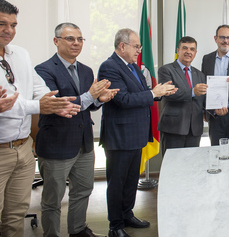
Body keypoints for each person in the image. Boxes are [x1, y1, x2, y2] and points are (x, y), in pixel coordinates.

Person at [0, 0, 80, 237]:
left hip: (23, 149)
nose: (9, 30)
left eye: (13, 24)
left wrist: (52, 101)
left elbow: (37, 86)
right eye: (2, 23)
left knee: (15, 215)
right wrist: (41, 105)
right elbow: (15, 103)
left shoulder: (20, 54)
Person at [35, 23, 119, 237]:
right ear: (56, 41)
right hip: (56, 144)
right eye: (70, 38)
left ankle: (78, 229)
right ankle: (51, 234)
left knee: (82, 191)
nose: (76, 43)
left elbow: (87, 104)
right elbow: (59, 105)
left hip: (83, 142)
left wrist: (100, 100)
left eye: (80, 39)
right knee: (53, 199)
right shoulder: (43, 70)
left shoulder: (85, 70)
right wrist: (91, 94)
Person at [98, 28, 176, 237]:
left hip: (136, 134)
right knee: (117, 182)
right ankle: (115, 225)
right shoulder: (109, 67)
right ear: (122, 46)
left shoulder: (132, 66)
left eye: (140, 47)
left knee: (131, 179)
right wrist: (153, 93)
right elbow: (122, 99)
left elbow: (141, 95)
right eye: (136, 46)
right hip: (120, 136)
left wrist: (160, 93)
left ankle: (127, 214)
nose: (139, 50)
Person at [158, 36, 207, 156]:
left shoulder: (200, 74)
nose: (188, 52)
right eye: (185, 48)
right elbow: (169, 93)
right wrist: (192, 92)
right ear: (178, 50)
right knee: (172, 167)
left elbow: (202, 99)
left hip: (194, 129)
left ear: (195, 53)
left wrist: (215, 108)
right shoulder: (166, 70)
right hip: (173, 128)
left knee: (191, 167)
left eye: (192, 49)